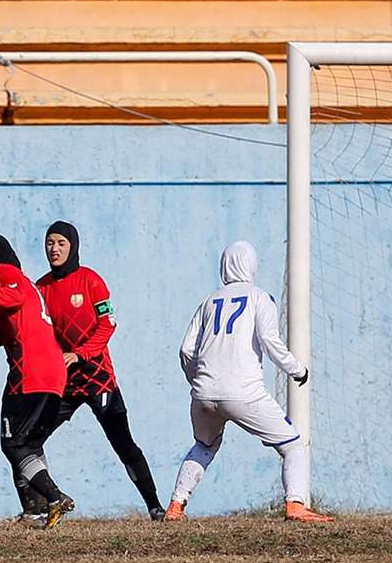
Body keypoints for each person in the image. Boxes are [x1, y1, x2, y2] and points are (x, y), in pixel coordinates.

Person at [165, 241, 332, 523]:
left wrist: (199, 381)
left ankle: (175, 507)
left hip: (203, 393)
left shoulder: (208, 301)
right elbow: (269, 340)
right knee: (293, 446)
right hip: (244, 394)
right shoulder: (259, 297)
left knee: (204, 446)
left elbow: (185, 350)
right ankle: (295, 505)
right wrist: (296, 369)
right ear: (252, 265)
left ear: (223, 267)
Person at [17, 221, 165, 521]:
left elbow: (107, 324)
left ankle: (155, 507)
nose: (54, 249)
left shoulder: (91, 281)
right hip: (63, 383)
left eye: (61, 243)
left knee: (124, 444)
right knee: (26, 442)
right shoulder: (41, 287)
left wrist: (80, 353)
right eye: (50, 243)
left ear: (73, 246)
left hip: (99, 380)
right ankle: (41, 508)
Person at [0, 233, 74, 529]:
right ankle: (36, 514)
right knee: (29, 444)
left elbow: (14, 296)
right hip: (52, 375)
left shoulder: (6, 274)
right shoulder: (5, 287)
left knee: (12, 444)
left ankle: (53, 496)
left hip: (30, 374)